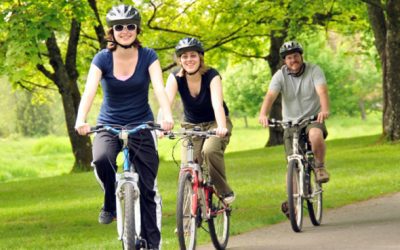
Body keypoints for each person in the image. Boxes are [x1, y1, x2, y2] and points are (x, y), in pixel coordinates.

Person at [74, 4, 173, 249]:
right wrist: (80, 118)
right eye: (119, 27)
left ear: (137, 29)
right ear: (112, 31)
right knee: (101, 159)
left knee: (147, 189)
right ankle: (110, 202)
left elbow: (159, 88)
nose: (125, 31)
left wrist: (167, 116)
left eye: (130, 26)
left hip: (141, 124)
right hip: (109, 124)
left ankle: (152, 244)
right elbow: (89, 90)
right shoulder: (102, 58)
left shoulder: (149, 56)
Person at [162, 37, 235, 204]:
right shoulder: (175, 78)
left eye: (193, 55)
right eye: (184, 56)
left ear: (200, 57)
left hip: (215, 122)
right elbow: (166, 104)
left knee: (209, 150)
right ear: (179, 60)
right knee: (187, 167)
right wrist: (162, 125)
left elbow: (218, 105)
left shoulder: (212, 75)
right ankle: (187, 220)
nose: (189, 60)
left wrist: (222, 127)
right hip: (191, 126)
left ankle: (223, 190)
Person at [258, 41, 330, 187]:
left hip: (313, 118)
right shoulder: (280, 75)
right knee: (292, 163)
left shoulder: (314, 70)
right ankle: (293, 200)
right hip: (291, 123)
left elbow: (322, 91)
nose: (293, 60)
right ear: (284, 60)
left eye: (295, 56)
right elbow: (270, 96)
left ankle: (320, 167)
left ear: (301, 56)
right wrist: (263, 114)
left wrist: (324, 109)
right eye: (289, 57)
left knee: (315, 135)